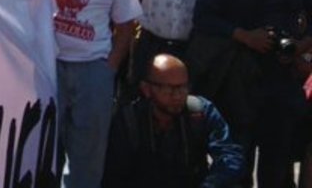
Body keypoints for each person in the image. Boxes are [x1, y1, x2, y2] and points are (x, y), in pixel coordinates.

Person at [14, 0, 142, 188]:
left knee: (88, 158)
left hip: (93, 70)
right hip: (47, 67)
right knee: (43, 151)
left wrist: (109, 66)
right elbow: (13, 0)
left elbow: (125, 24)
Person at [191, 0, 312, 188]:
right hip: (237, 82)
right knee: (236, 163)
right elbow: (202, 19)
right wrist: (244, 36)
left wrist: (301, 46)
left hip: (282, 81)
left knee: (279, 166)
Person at [103, 54, 245, 188]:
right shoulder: (127, 122)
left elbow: (230, 155)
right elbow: (113, 176)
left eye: (183, 88)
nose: (177, 96)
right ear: (146, 89)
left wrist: (211, 185)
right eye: (169, 90)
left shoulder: (200, 111)